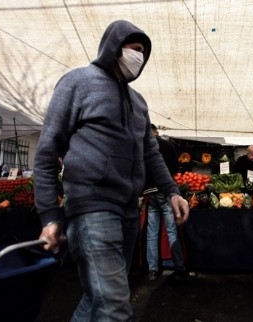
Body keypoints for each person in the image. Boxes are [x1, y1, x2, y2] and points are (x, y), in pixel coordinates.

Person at [33, 20, 190, 322]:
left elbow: (151, 154)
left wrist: (172, 191)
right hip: (92, 209)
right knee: (115, 308)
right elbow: (47, 151)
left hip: (130, 210)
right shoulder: (77, 83)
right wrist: (49, 216)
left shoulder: (138, 102)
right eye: (135, 49)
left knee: (97, 300)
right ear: (115, 47)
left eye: (144, 52)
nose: (139, 57)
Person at [143, 124, 193, 282]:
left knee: (152, 234)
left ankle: (152, 270)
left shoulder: (142, 146)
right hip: (166, 194)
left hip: (149, 195)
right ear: (156, 131)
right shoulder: (167, 146)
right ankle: (179, 267)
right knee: (172, 231)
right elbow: (175, 170)